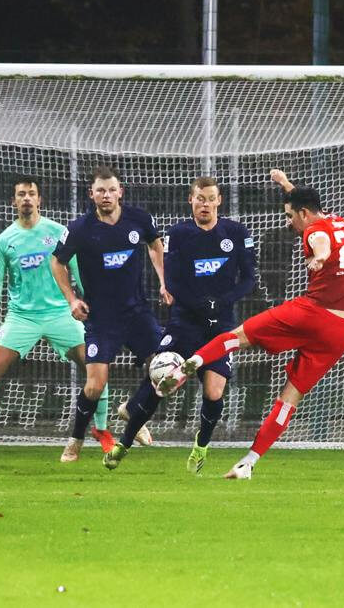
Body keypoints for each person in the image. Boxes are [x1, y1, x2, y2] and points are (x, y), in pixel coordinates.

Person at [154, 170, 344, 479]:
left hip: (316, 312)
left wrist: (319, 257)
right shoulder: (340, 222)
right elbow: (308, 209)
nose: (289, 223)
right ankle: (248, 463)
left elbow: (319, 240)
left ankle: (190, 363)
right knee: (289, 399)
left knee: (236, 337)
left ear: (304, 214)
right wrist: (286, 186)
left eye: (290, 216)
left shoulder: (313, 231)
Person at [0, 175, 148, 452]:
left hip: (60, 313)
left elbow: (75, 267)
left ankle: (101, 429)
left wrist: (83, 299)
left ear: (39, 199)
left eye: (31, 193)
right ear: (14, 201)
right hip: (22, 316)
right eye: (21, 194)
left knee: (95, 367)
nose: (27, 199)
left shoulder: (57, 231)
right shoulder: (4, 240)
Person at [101, 176, 256, 472]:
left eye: (211, 199)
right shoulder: (179, 234)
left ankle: (201, 446)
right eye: (200, 199)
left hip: (220, 324)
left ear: (219, 201)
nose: (205, 204)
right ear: (191, 201)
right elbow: (172, 279)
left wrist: (220, 302)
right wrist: (200, 305)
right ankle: (124, 443)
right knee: (160, 379)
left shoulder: (236, 232)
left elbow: (249, 278)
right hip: (185, 322)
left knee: (213, 392)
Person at [50, 166, 170, 462]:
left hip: (137, 312)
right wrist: (71, 299)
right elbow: (57, 262)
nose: (106, 195)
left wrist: (165, 281)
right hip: (101, 317)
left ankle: (133, 411)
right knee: (95, 384)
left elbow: (155, 244)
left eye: (111, 190)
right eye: (100, 190)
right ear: (91, 194)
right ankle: (75, 439)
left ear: (120, 192)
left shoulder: (138, 219)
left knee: (167, 369)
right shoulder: (79, 229)